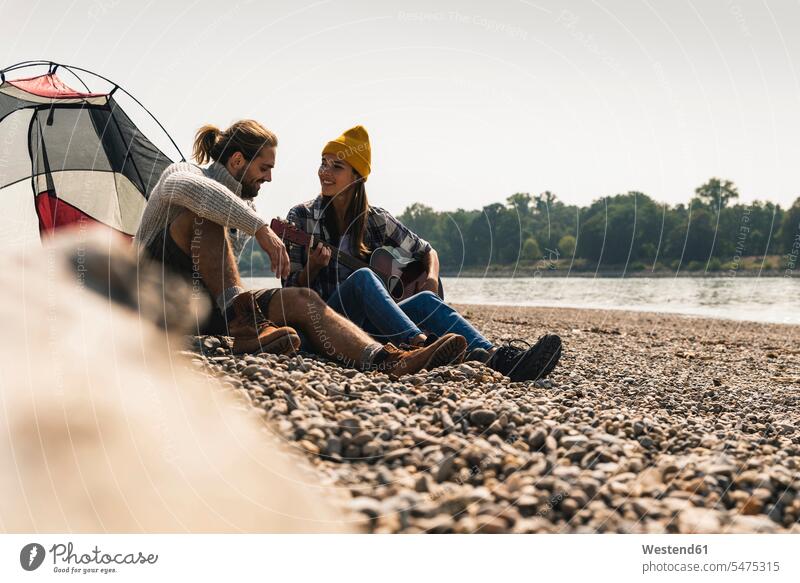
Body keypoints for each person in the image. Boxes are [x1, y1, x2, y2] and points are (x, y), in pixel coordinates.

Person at [134, 120, 467, 377]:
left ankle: (387, 360)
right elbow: (188, 190)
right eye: (264, 168)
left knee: (303, 299)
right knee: (203, 216)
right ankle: (246, 321)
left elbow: (222, 275)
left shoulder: (241, 208)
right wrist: (261, 229)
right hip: (153, 295)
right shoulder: (184, 172)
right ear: (237, 161)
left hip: (206, 311)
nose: (269, 179)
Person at [284, 125, 561, 382]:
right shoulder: (301, 217)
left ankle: (499, 358)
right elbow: (290, 294)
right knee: (363, 277)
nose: (325, 172)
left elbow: (428, 251)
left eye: (336, 166)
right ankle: (421, 346)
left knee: (426, 298)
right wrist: (314, 267)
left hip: (372, 331)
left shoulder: (376, 220)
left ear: (357, 176)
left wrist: (430, 278)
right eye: (323, 163)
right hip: (327, 330)